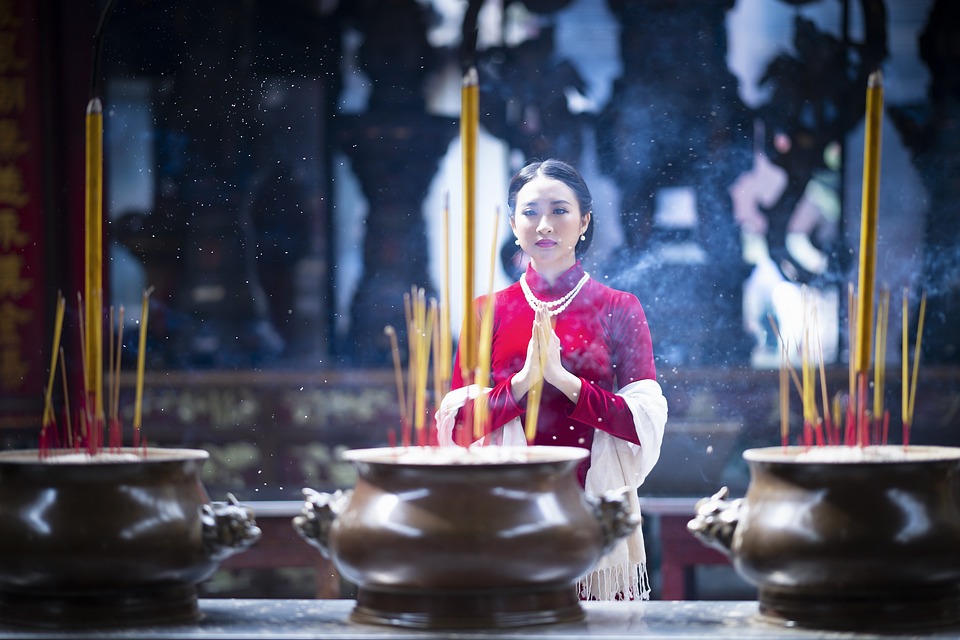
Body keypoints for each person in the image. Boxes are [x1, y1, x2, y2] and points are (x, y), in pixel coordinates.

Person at [436, 159, 668, 600]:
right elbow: (459, 429)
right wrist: (523, 383)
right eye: (530, 212)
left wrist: (567, 382)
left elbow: (643, 425)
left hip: (595, 512)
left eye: (560, 210)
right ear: (512, 222)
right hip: (508, 515)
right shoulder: (488, 312)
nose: (544, 225)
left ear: (584, 221)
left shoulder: (619, 307)